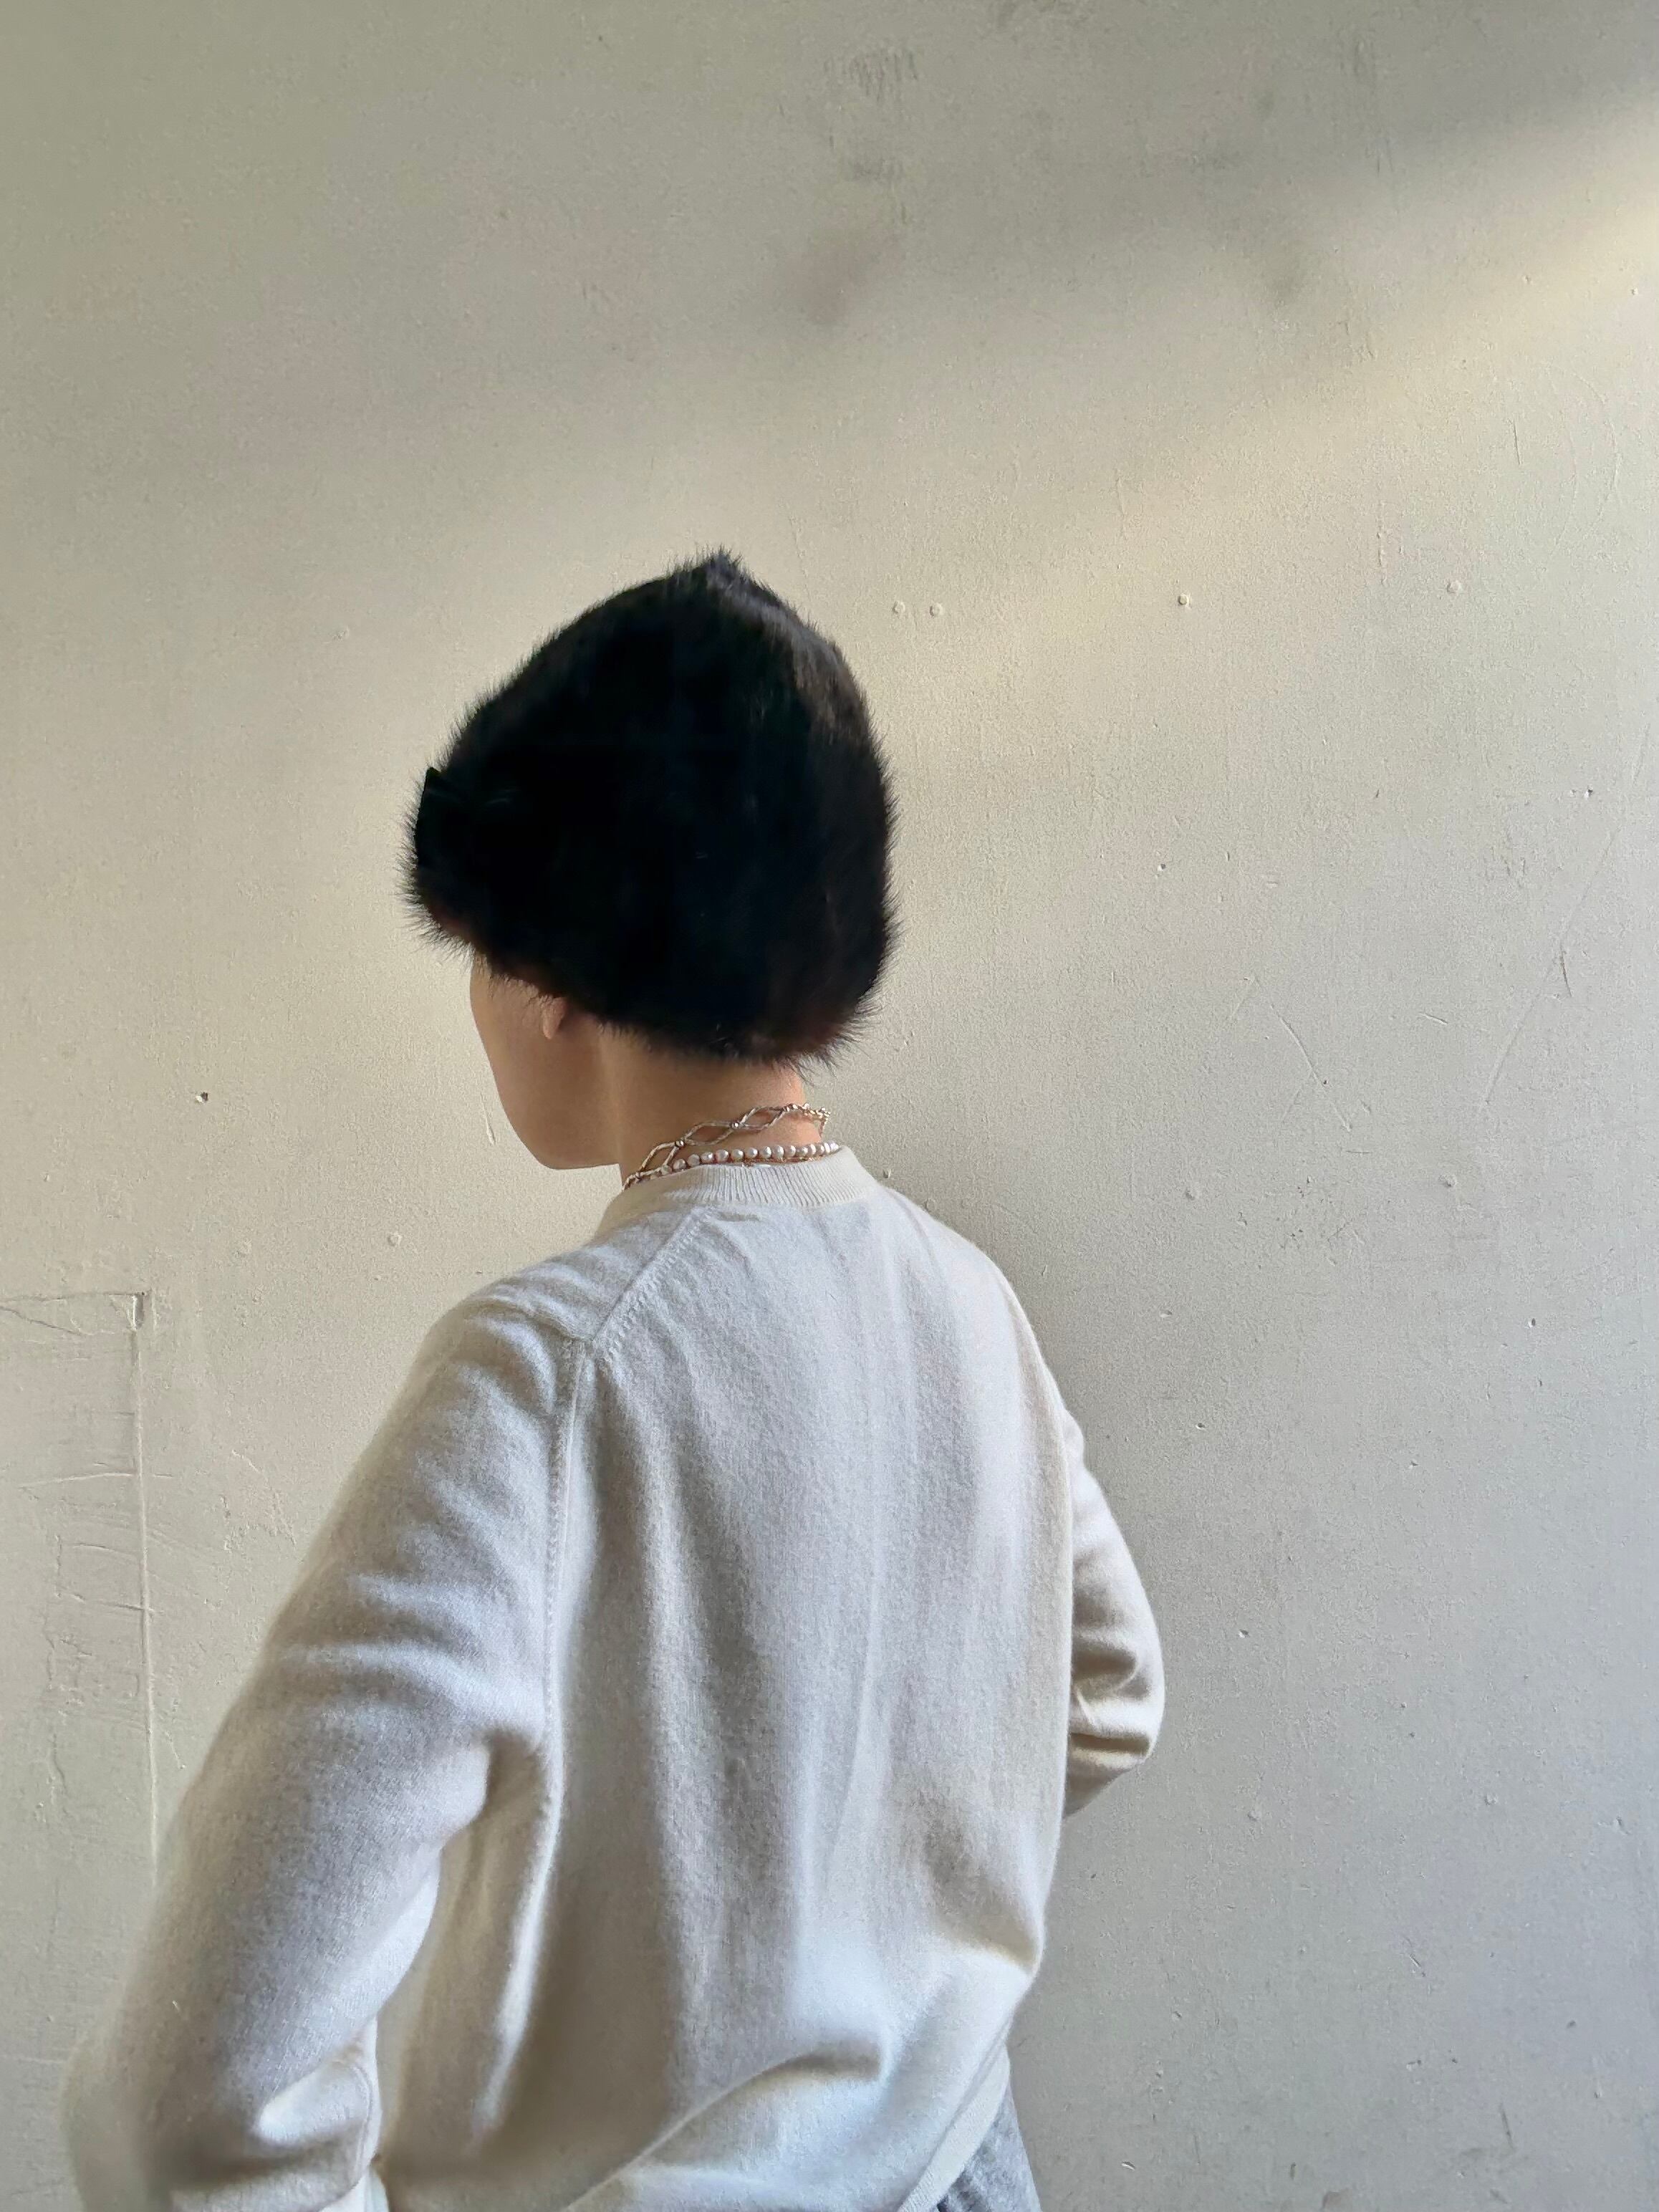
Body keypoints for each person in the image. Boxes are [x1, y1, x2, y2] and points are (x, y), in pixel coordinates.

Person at [61, 550, 1164, 2212]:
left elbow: (192, 2100)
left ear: (550, 976)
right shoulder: (969, 1300)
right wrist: (853, 1894)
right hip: (970, 2164)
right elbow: (1110, 1689)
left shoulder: (543, 1379)